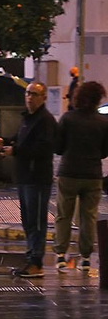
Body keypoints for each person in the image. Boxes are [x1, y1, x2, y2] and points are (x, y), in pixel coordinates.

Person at [0, 82, 58, 277]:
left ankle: (36, 262)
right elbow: (19, 138)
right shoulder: (28, 118)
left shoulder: (45, 121)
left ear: (44, 97)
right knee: (28, 221)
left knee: (36, 221)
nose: (29, 97)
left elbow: (44, 149)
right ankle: (31, 258)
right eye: (28, 93)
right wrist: (4, 141)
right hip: (24, 177)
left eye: (35, 94)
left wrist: (16, 150)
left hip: (37, 178)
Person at [51, 80, 108, 273]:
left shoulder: (67, 119)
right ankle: (85, 258)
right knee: (89, 217)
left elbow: (57, 148)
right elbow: (104, 152)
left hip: (69, 173)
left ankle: (60, 255)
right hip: (93, 174)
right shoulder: (103, 122)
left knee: (64, 215)